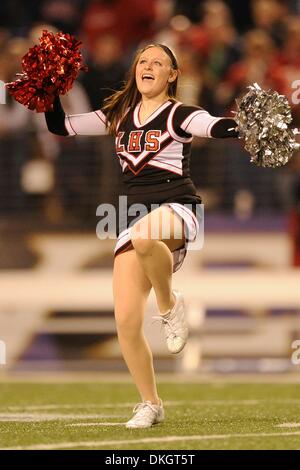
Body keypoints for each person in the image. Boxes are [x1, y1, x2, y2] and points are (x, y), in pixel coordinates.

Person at [44, 43, 238, 428]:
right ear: (135, 71)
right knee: (126, 321)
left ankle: (169, 306)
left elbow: (214, 126)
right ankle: (151, 403)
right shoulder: (118, 115)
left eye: (158, 63)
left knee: (148, 236)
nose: (148, 67)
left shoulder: (179, 113)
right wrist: (49, 88)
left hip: (179, 208)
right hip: (131, 215)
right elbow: (60, 126)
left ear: (172, 75)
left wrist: (247, 124)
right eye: (143, 62)